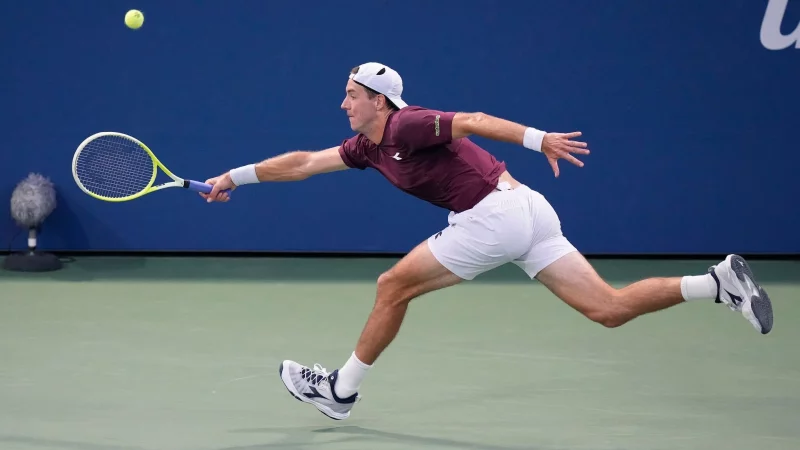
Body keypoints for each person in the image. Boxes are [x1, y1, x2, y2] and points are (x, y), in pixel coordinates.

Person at [200, 62, 774, 420]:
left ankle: (341, 392)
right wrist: (235, 176)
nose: (343, 102)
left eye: (351, 94)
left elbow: (471, 118)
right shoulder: (367, 148)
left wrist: (538, 137)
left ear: (380, 100)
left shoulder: (404, 123)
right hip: (526, 212)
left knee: (391, 286)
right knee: (608, 308)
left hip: (497, 213)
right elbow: (301, 164)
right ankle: (716, 283)